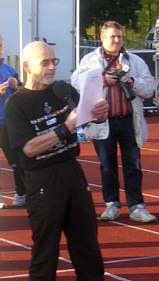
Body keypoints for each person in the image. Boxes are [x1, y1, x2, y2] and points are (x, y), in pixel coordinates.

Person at [5, 41, 107, 280]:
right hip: (42, 181)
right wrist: (66, 127)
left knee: (87, 245)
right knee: (46, 251)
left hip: (73, 172)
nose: (52, 67)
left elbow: (87, 120)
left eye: (55, 61)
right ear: (28, 66)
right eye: (45, 62)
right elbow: (29, 149)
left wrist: (99, 115)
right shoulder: (17, 103)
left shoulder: (63, 90)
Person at [71, 21, 157, 223]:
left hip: (129, 120)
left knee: (133, 165)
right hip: (103, 121)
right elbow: (76, 81)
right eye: (112, 36)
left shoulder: (134, 61)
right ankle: (111, 204)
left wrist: (132, 82)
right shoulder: (90, 60)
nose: (116, 40)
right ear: (102, 38)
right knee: (107, 165)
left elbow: (150, 88)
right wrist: (102, 79)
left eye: (119, 36)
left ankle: (137, 206)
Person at [0, 34, 26, 208]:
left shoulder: (10, 70)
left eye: (0, 46)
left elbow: (23, 92)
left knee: (17, 159)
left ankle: (21, 193)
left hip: (8, 122)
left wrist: (17, 88)